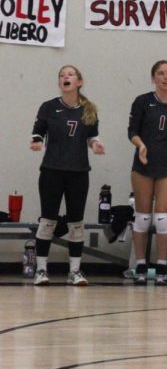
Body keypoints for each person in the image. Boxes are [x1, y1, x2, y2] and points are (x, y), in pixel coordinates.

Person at [29, 65, 106, 286]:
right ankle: (41, 270)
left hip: (79, 172)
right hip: (52, 170)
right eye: (62, 75)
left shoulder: (88, 109)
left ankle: (75, 271)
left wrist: (97, 145)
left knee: (76, 223)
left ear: (79, 82)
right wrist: (36, 142)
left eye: (70, 74)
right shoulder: (49, 107)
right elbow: (38, 131)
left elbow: (92, 137)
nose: (66, 77)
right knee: (48, 220)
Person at [127, 59, 167, 284]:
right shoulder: (143, 102)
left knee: (163, 219)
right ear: (153, 78)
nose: (166, 77)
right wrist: (141, 145)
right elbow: (132, 132)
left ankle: (162, 265)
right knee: (142, 217)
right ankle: (141, 263)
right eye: (161, 73)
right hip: (143, 164)